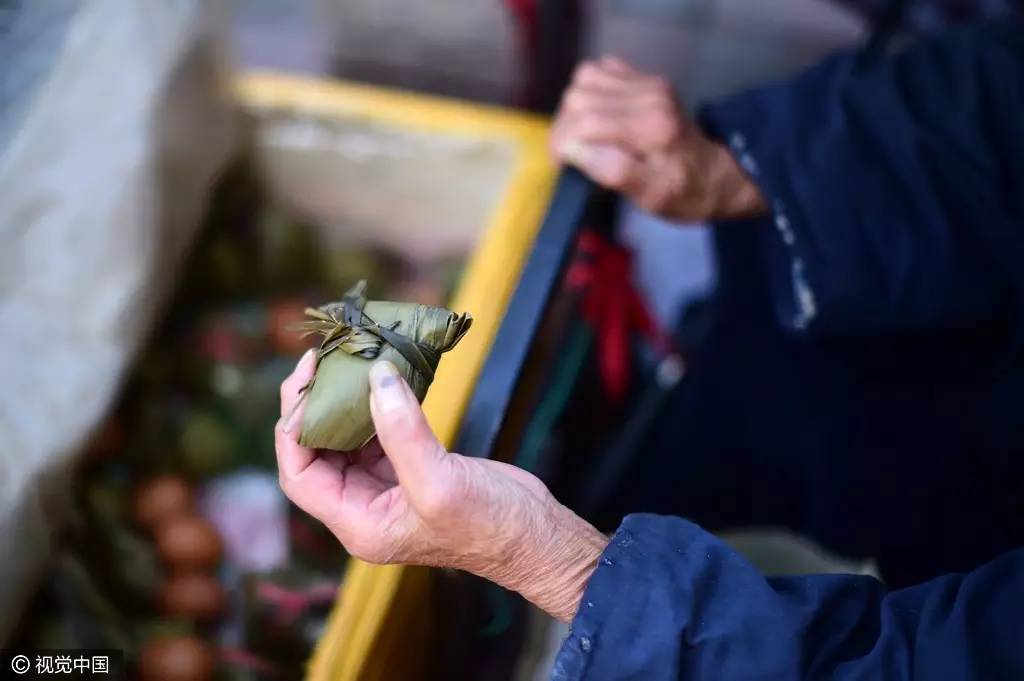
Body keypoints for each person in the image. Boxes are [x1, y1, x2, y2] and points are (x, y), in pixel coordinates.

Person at [276, 17, 1024, 680]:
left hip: (947, 545)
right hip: (884, 328)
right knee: (693, 460)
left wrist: (560, 566)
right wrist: (760, 167)